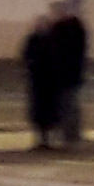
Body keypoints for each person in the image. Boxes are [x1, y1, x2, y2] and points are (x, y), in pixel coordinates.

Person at [48, 0, 89, 146]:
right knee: (68, 104)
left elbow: (66, 51)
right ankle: (70, 133)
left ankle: (70, 134)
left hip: (67, 72)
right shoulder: (70, 27)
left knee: (68, 104)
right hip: (66, 73)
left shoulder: (68, 28)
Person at [20, 15, 58, 151]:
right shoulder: (42, 40)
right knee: (41, 113)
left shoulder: (44, 40)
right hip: (41, 81)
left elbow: (27, 56)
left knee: (44, 113)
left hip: (44, 82)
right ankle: (43, 139)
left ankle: (45, 140)